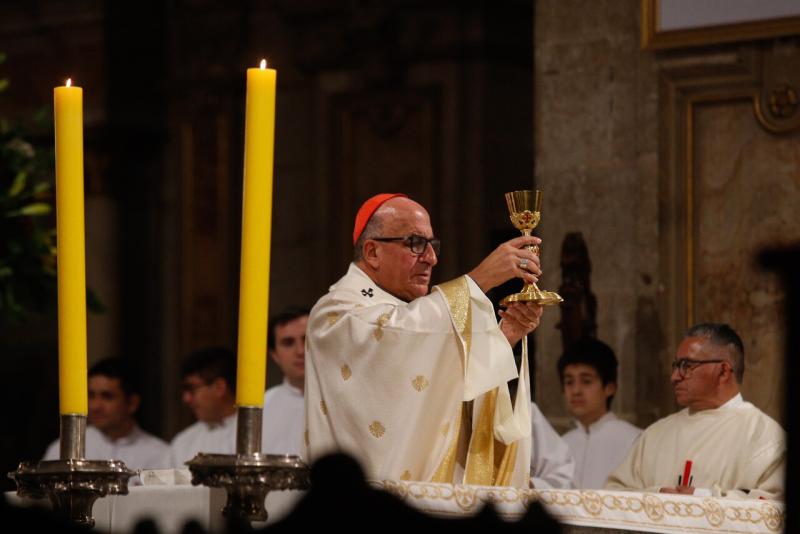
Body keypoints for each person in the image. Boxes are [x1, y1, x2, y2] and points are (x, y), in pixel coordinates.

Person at [306, 193, 545, 488]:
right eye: (416, 244)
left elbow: (433, 382)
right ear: (372, 252)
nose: (431, 258)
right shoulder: (336, 313)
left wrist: (503, 336)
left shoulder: (410, 314)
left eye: (433, 245)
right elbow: (397, 336)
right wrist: (480, 279)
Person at [606, 323, 785, 498]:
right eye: (675, 366)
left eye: (686, 366)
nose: (674, 377)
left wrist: (702, 496)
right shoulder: (655, 435)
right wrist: (658, 494)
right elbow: (613, 493)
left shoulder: (766, 437)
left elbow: (774, 506)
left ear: (723, 371)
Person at [44, 357, 170, 471]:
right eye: (91, 395)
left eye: (107, 396)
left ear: (132, 403)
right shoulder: (64, 450)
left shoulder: (160, 454)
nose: (95, 406)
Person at [557, 338, 640, 488]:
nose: (576, 391)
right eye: (569, 382)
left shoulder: (635, 441)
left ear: (610, 388)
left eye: (586, 381)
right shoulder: (561, 445)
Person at [170, 347, 237, 467]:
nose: (186, 398)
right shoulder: (183, 442)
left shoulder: (256, 434)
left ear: (219, 387)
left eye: (192, 389)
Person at [261, 306, 309, 456]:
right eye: (288, 343)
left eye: (307, 339)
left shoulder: (347, 398)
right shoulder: (261, 408)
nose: (300, 351)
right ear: (274, 355)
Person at [529, 403, 575, 488]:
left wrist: (530, 485)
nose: (576, 392)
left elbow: (561, 476)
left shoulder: (525, 411)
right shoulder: (568, 438)